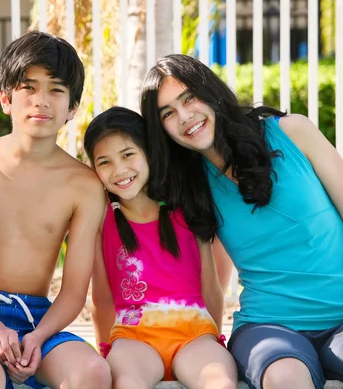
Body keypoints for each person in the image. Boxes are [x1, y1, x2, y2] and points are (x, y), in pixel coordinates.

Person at [140, 53, 343, 389]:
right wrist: (205, 338)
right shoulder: (195, 186)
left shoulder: (294, 132)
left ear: (210, 92)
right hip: (268, 328)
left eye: (189, 98)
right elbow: (214, 276)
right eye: (168, 113)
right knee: (286, 378)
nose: (185, 116)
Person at [0, 31, 111, 389]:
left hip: (36, 319)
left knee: (91, 372)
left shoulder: (85, 185)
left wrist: (36, 338)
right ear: (6, 98)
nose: (41, 101)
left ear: (72, 108)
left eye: (57, 90)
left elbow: (75, 290)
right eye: (29, 87)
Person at [84, 106, 237, 389]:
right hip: (132, 338)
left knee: (220, 383)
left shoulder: (188, 208)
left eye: (128, 154)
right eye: (104, 162)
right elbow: (102, 298)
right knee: (127, 383)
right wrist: (106, 349)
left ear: (150, 154)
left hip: (195, 334)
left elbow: (211, 287)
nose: (119, 170)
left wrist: (212, 337)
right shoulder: (100, 219)